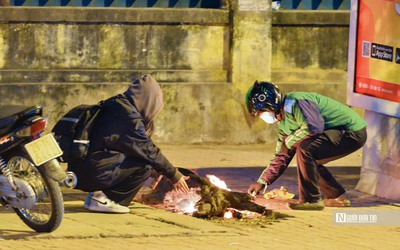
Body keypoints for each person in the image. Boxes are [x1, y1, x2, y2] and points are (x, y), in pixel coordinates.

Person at [68, 74, 189, 213]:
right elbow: (148, 151)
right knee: (146, 165)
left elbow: (134, 148)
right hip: (91, 172)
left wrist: (159, 172)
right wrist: (174, 175)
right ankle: (106, 200)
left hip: (83, 170)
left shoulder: (117, 105)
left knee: (145, 161)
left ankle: (96, 197)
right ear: (149, 101)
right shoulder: (128, 117)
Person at [245, 81, 367, 210]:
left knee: (305, 150)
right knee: (307, 160)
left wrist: (289, 142)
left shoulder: (297, 102)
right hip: (341, 133)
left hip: (351, 132)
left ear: (269, 104)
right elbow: (282, 155)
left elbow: (314, 127)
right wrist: (262, 182)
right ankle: (337, 197)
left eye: (261, 112)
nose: (261, 116)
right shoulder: (284, 122)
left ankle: (311, 200)